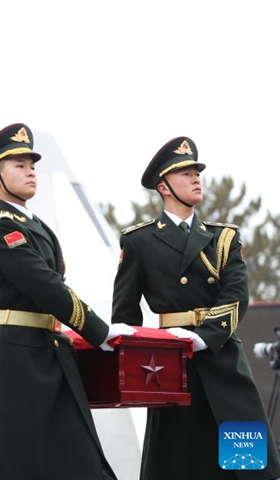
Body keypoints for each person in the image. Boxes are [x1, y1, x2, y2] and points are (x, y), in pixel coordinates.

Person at [0, 123, 134, 479]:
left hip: (46, 347)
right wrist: (99, 331)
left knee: (75, 453)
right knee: (19, 455)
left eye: (32, 165)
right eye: (19, 165)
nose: (30, 171)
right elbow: (45, 285)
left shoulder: (38, 227)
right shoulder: (1, 228)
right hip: (17, 353)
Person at [112, 136, 280, 480]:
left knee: (247, 464)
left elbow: (237, 297)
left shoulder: (223, 238)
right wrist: (137, 371)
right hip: (171, 369)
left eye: (196, 172)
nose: (196, 178)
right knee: (179, 463)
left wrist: (201, 338)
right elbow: (125, 316)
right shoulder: (139, 241)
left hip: (222, 359)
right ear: (164, 186)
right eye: (185, 173)